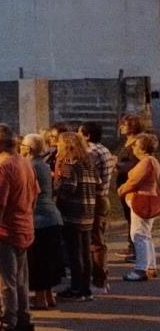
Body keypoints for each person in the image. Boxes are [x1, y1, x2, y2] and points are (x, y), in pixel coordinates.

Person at [0, 123, 37, 331]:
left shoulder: (2, 168)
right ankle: (23, 318)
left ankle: (7, 320)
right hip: (22, 228)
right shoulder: (24, 163)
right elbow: (34, 195)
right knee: (20, 280)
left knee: (6, 281)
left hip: (5, 233)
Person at [20, 134, 64, 310]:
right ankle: (48, 295)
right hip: (52, 215)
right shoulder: (44, 166)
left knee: (38, 260)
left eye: (22, 145)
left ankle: (40, 298)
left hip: (38, 218)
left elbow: (30, 194)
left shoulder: (30, 166)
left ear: (28, 149)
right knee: (48, 259)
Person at [54, 131, 98, 302]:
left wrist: (56, 186)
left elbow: (68, 187)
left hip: (72, 213)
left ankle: (76, 287)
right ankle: (86, 288)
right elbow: (98, 184)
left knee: (74, 253)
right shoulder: (88, 163)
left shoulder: (68, 162)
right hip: (88, 211)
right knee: (86, 253)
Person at [77, 121, 116, 293]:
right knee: (98, 239)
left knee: (95, 241)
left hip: (95, 199)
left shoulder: (91, 152)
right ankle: (101, 278)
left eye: (80, 133)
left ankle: (100, 281)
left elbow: (89, 175)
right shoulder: (104, 149)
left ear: (87, 135)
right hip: (103, 197)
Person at [116, 133, 160, 281]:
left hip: (141, 199)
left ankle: (140, 269)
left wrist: (122, 189)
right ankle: (151, 266)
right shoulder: (152, 161)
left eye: (135, 145)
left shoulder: (146, 162)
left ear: (142, 147)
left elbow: (134, 181)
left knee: (138, 235)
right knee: (145, 234)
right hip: (148, 198)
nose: (133, 147)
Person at [115, 115, 146, 257]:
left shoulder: (138, 142)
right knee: (129, 216)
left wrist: (119, 165)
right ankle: (131, 246)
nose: (121, 127)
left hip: (131, 182)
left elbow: (135, 163)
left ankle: (135, 249)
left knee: (133, 217)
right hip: (123, 180)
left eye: (124, 125)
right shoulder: (127, 141)